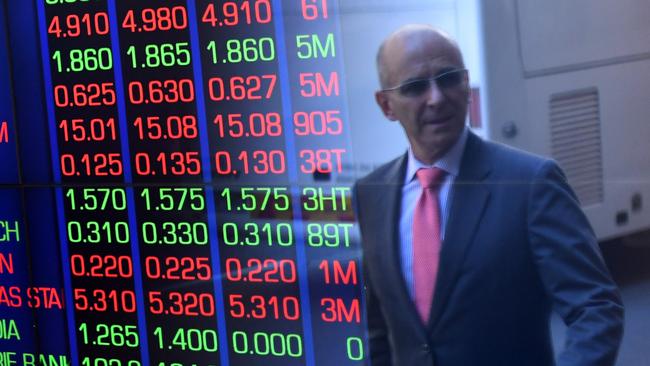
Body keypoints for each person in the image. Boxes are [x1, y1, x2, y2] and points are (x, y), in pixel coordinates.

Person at [354, 24, 624, 366]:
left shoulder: (530, 184)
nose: (436, 97)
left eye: (448, 78)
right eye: (415, 86)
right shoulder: (371, 194)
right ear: (386, 105)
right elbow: (381, 331)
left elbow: (595, 308)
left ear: (467, 85)